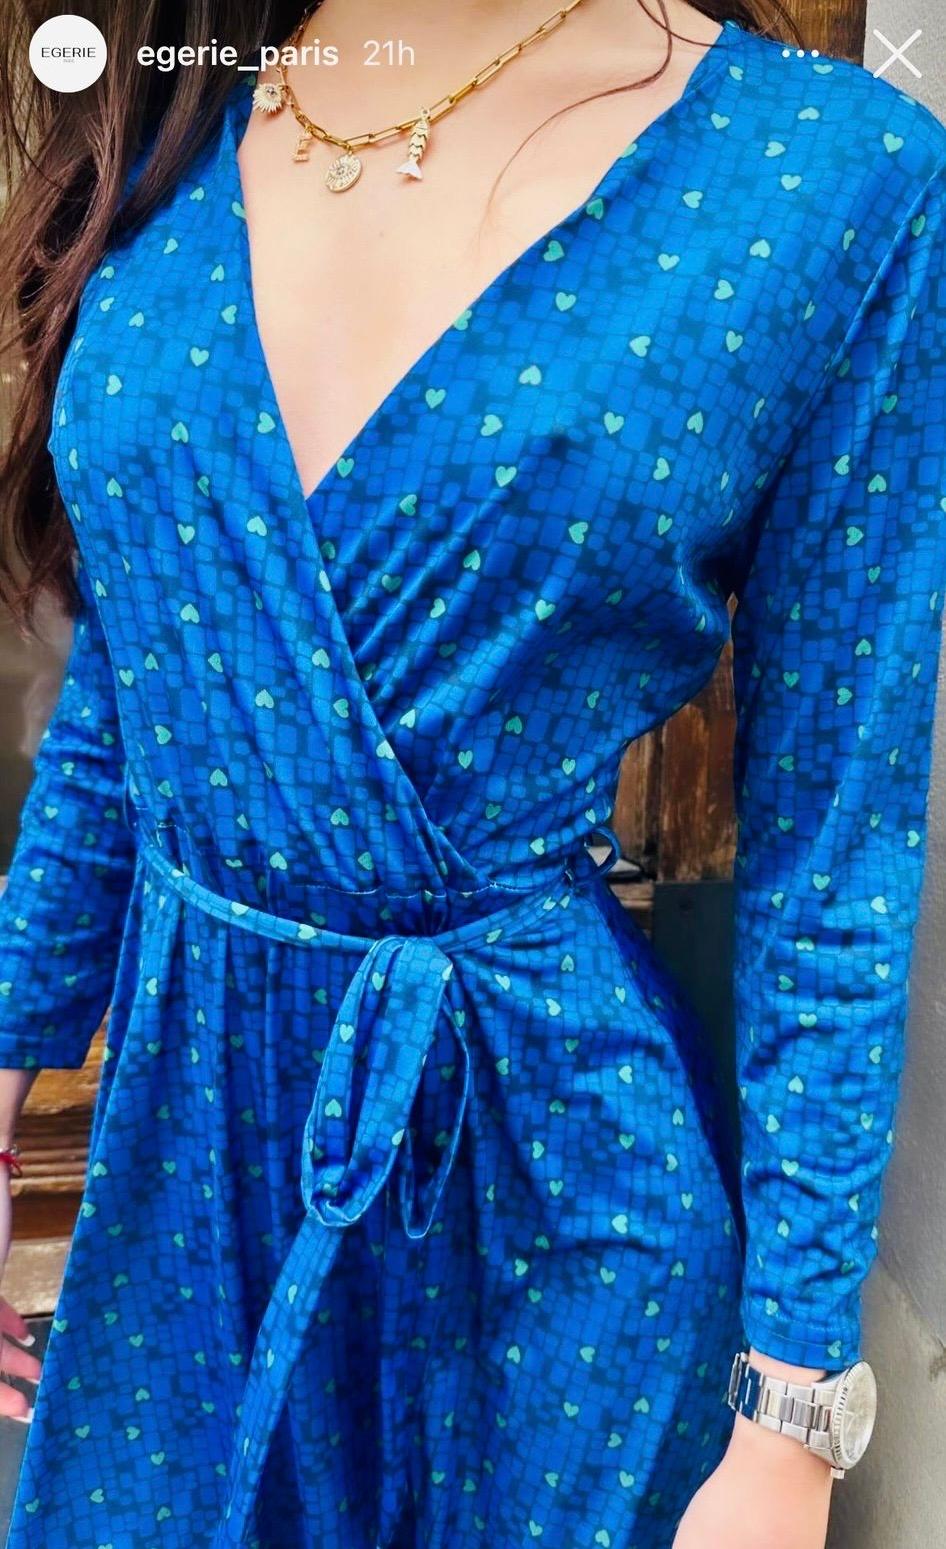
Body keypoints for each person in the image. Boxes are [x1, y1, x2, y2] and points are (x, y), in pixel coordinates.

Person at [0, 0, 944, 1544]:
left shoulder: (829, 175)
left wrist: (791, 1416)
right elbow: (133, 684)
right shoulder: (176, 117)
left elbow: (832, 848)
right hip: (184, 1186)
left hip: (544, 1205)